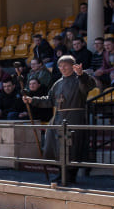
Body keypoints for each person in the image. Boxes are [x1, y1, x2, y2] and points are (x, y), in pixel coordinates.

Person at [29, 56, 98, 185]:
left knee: (72, 147)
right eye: (60, 66)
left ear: (73, 66)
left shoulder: (79, 79)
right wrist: (32, 100)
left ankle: (71, 175)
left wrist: (81, 75)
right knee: (56, 146)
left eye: (65, 65)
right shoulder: (58, 83)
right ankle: (61, 173)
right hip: (59, 118)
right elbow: (50, 100)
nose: (62, 68)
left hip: (74, 117)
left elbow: (89, 85)